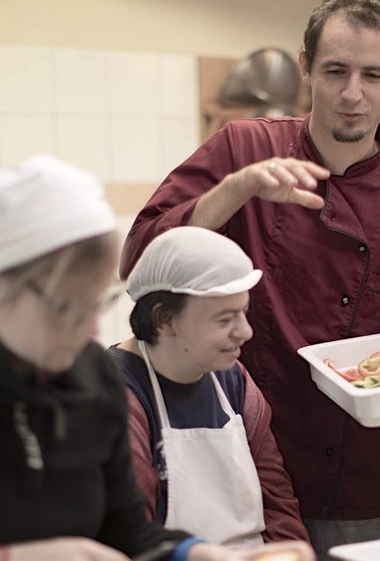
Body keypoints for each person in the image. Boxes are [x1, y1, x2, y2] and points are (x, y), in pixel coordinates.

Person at [119, 0, 380, 558]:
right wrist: (236, 189)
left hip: (355, 481)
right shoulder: (243, 148)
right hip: (240, 456)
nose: (352, 95)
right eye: (335, 71)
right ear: (305, 68)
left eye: (373, 76)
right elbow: (140, 261)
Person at [0, 155, 316, 561]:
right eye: (68, 308)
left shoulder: (92, 378)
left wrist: (197, 553)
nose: (93, 330)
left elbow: (126, 527)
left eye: (98, 304)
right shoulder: (125, 380)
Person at [108, 226, 309, 548]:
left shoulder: (233, 379)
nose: (245, 332)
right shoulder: (118, 393)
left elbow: (276, 501)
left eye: (244, 312)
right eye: (224, 319)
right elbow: (131, 537)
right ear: (164, 319)